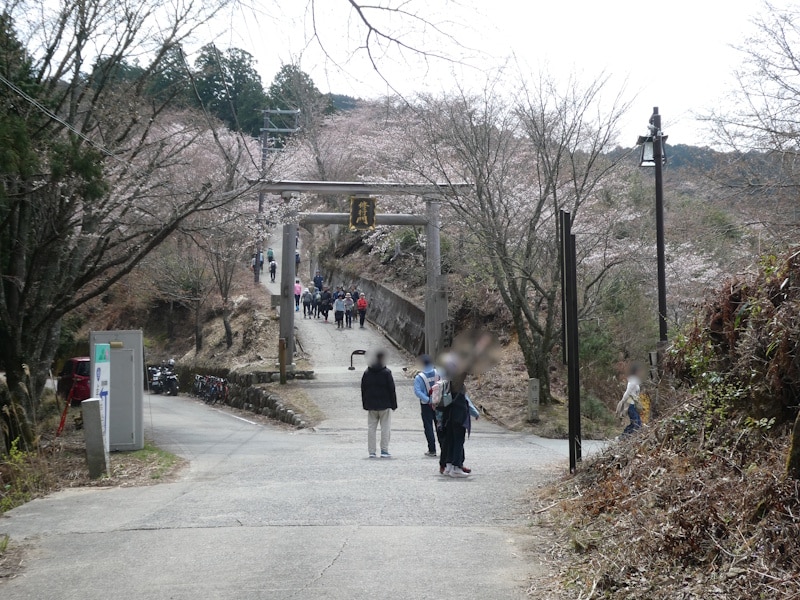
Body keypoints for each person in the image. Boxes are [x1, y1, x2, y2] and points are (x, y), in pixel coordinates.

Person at [361, 351, 398, 458]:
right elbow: (392, 389)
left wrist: (365, 404)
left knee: (371, 428)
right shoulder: (386, 372)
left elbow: (363, 389)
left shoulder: (367, 372)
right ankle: (384, 450)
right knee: (385, 428)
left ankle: (372, 452)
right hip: (385, 405)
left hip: (371, 405)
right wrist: (394, 404)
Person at [414, 354, 439, 457]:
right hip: (439, 403)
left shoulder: (419, 377)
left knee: (428, 426)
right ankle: (444, 447)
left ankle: (432, 449)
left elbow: (417, 392)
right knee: (440, 425)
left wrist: (428, 400)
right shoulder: (438, 373)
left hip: (426, 405)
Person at [616, 366, 642, 436]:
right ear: (636, 372)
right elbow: (627, 393)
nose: (640, 373)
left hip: (634, 404)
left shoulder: (635, 381)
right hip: (631, 404)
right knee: (636, 423)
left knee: (638, 423)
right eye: (639, 371)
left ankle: (627, 437)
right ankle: (623, 436)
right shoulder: (633, 381)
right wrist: (622, 402)